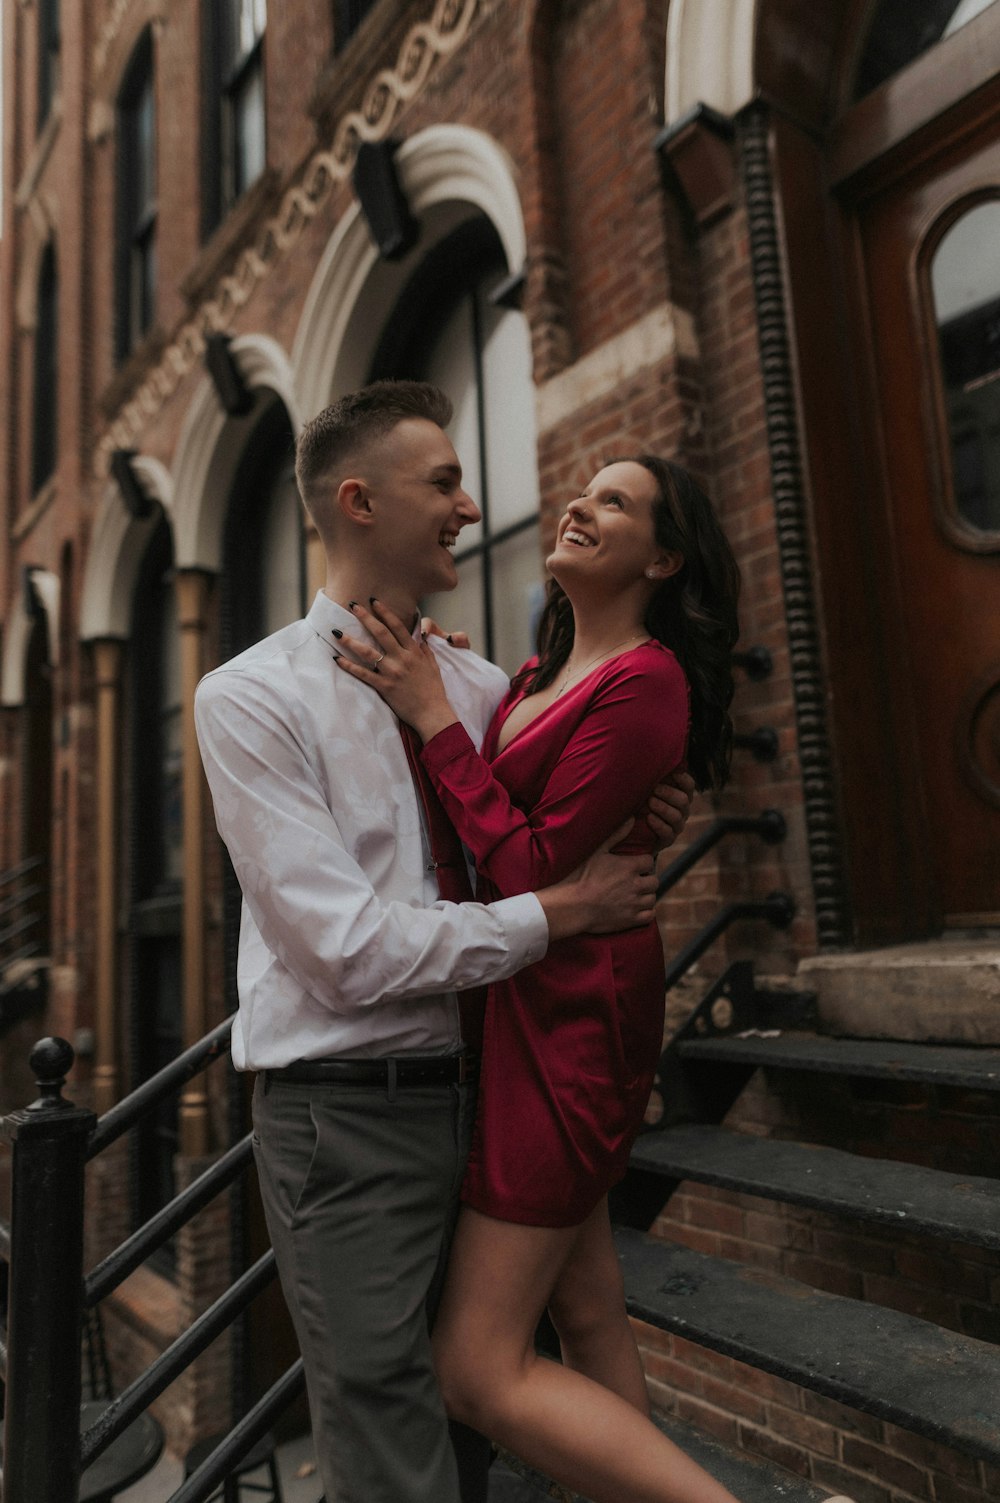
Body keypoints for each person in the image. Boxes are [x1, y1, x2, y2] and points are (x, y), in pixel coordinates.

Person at [194, 381, 693, 1503]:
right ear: (360, 503)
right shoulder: (249, 697)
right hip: (345, 1111)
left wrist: (651, 798)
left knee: (491, 1395)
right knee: (390, 1439)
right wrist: (553, 915)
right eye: (446, 483)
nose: (473, 504)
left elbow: (547, 803)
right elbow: (341, 949)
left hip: (488, 1082)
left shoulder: (475, 685)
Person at [333, 452, 751, 1503]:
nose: (579, 503)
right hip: (515, 998)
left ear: (663, 556)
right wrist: (452, 689)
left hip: (572, 1015)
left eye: (614, 500)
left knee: (475, 1371)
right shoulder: (529, 677)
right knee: (587, 1309)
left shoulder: (646, 680)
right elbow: (503, 827)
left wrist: (434, 716)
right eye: (585, 489)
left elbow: (524, 868)